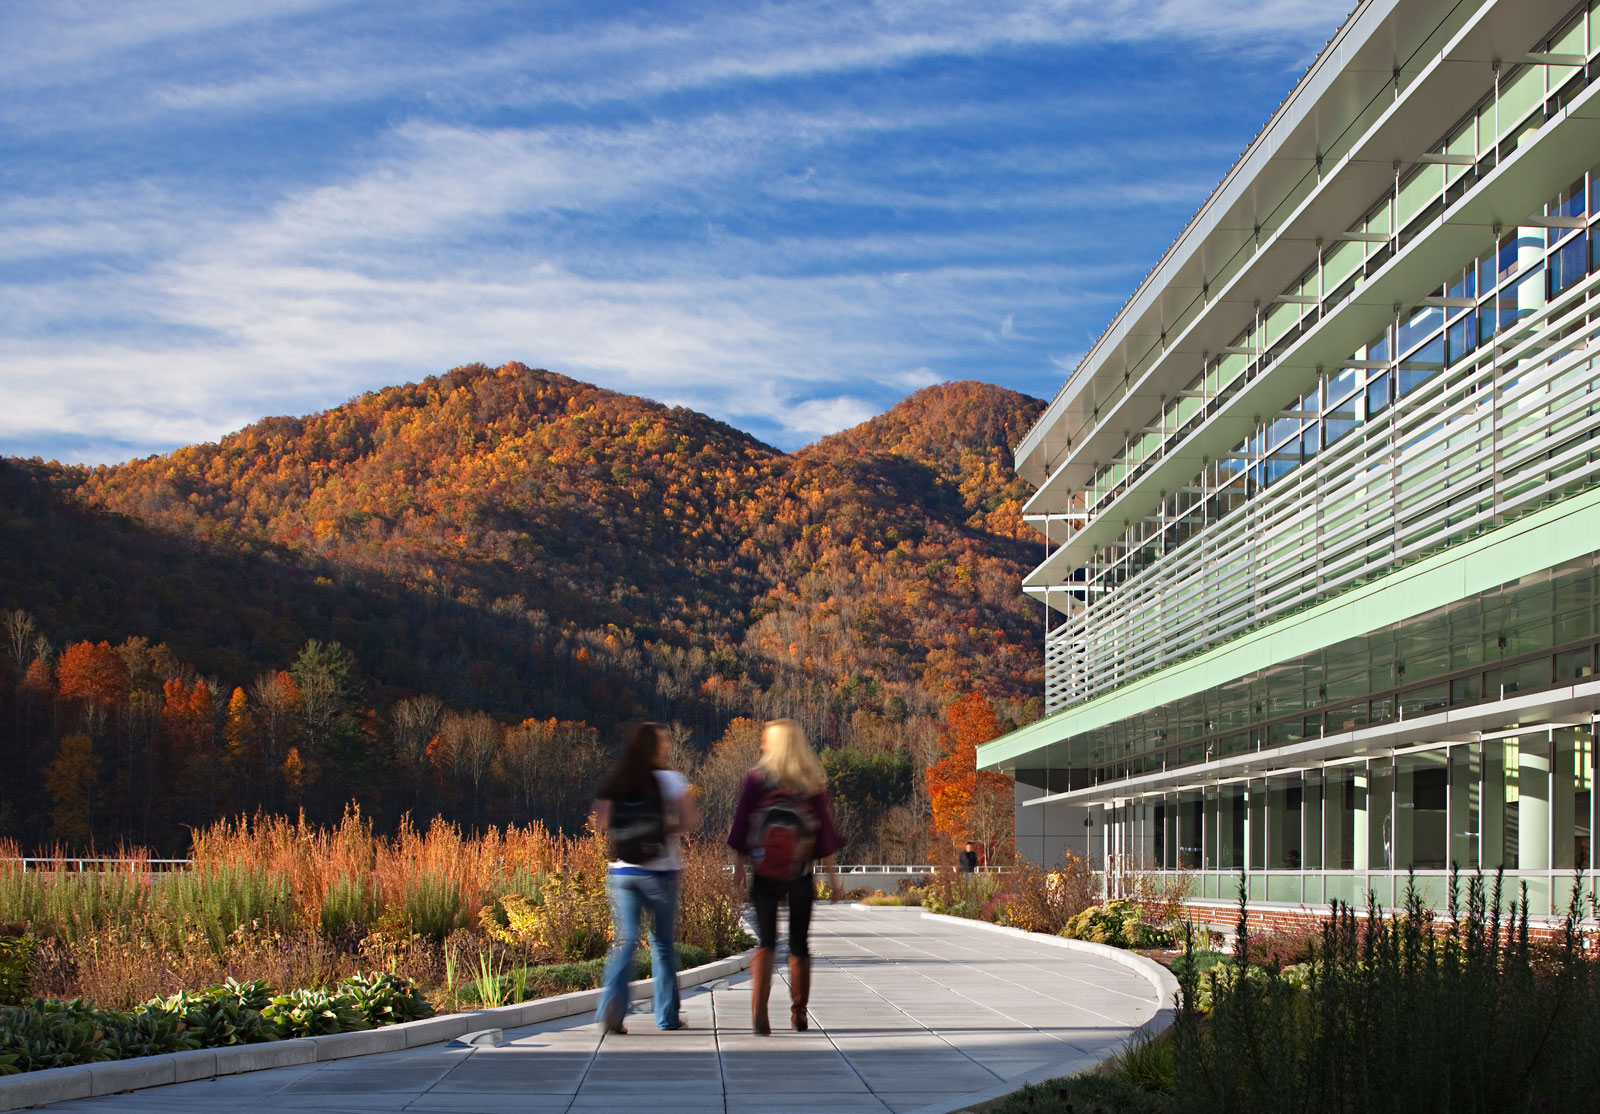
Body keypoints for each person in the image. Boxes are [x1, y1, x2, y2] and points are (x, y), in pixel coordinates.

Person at [727, 718, 842, 1035]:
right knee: (799, 943)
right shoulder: (810, 782)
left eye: (766, 738)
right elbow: (825, 837)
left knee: (766, 940)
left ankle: (759, 1012)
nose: (762, 742)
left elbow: (741, 827)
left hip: (764, 872)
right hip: (801, 872)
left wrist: (739, 869)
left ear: (773, 743)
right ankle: (799, 1013)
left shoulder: (756, 780)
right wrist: (833, 880)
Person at [592, 722, 699, 1033]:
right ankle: (667, 1016)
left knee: (624, 941)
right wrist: (663, 827)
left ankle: (613, 1004)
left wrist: (628, 833)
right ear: (658, 748)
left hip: (623, 872)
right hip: (662, 871)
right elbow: (689, 821)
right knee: (662, 944)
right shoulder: (671, 781)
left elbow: (600, 823)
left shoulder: (617, 780)